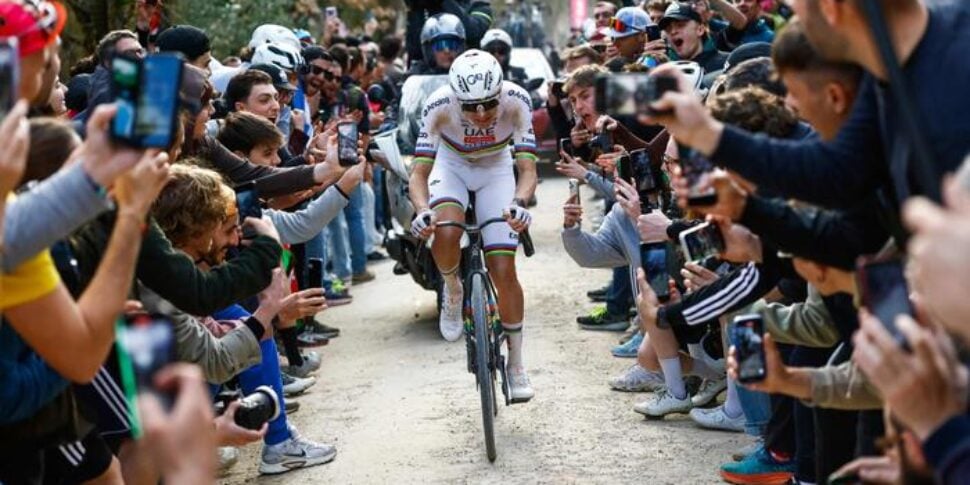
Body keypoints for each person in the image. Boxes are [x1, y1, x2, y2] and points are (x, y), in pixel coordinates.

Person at [408, 50, 537, 402]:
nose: (480, 114)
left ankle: (517, 363)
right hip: (451, 168)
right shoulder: (438, 106)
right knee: (446, 230)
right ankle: (452, 287)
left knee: (503, 269)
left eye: (488, 104)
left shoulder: (517, 101)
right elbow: (419, 173)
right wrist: (422, 211)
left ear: (500, 93)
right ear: (455, 98)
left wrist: (519, 203)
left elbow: (526, 169)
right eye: (469, 107)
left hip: (496, 169)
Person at [405, 0, 493, 69]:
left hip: (465, 72)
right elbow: (415, 49)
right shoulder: (426, 5)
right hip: (427, 75)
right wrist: (414, 9)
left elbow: (473, 33)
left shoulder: (480, 5)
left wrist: (445, 2)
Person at [659, 2, 728, 74]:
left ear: (700, 29)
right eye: (668, 29)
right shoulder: (664, 70)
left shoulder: (726, 63)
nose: (673, 32)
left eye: (680, 25)